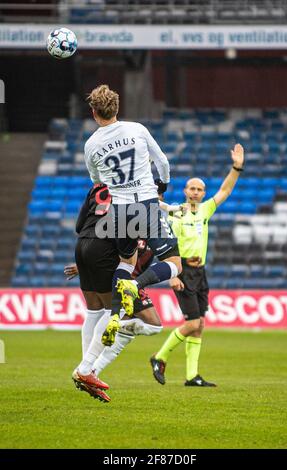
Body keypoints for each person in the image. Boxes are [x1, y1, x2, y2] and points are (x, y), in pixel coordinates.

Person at [84, 84, 182, 346]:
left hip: (119, 211)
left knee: (126, 263)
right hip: (146, 204)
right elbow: (162, 162)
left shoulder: (92, 144)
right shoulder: (137, 129)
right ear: (116, 107)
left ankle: (116, 315)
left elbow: (97, 183)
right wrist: (162, 186)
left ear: (94, 112)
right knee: (174, 263)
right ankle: (136, 287)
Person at [66, 184, 181, 402]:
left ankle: (88, 368)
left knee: (95, 311)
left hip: (84, 246)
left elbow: (80, 224)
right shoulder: (143, 210)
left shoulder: (101, 188)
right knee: (124, 317)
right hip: (119, 269)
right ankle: (86, 369)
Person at [150, 143, 245, 387]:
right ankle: (159, 357)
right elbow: (164, 239)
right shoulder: (175, 212)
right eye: (191, 188)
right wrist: (172, 273)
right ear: (184, 191)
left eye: (199, 189)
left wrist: (237, 167)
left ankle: (192, 376)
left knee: (200, 324)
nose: (195, 192)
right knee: (191, 323)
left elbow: (225, 190)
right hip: (183, 271)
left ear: (203, 194)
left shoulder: (205, 210)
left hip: (200, 272)